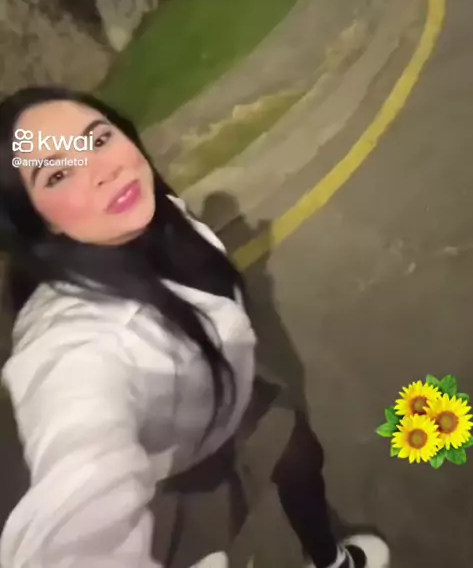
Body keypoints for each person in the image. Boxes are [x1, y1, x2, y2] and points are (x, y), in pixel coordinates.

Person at [0, 86, 390, 568]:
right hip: (177, 477)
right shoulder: (71, 341)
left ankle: (328, 558)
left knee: (299, 452)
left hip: (228, 400)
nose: (105, 169)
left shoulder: (157, 214)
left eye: (98, 139)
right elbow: (73, 504)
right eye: (58, 174)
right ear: (38, 222)